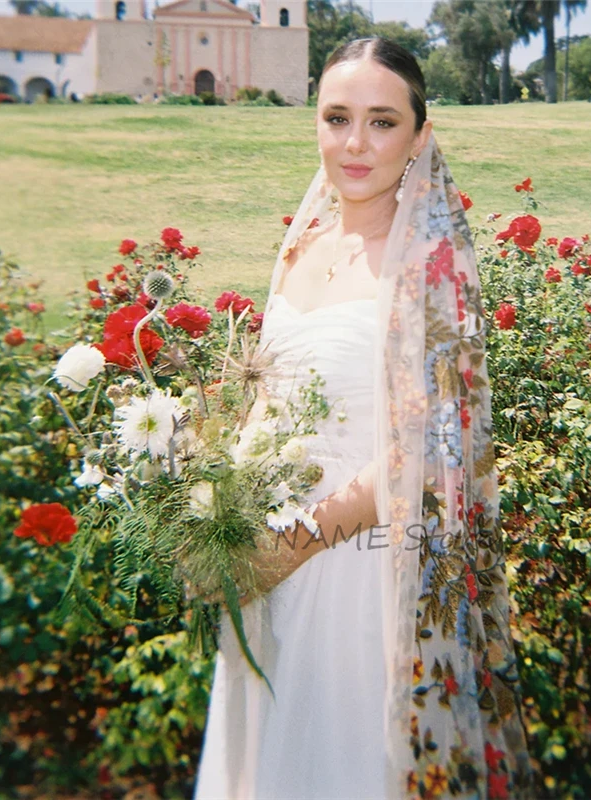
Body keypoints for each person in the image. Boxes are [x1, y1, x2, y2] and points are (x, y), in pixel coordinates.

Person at [194, 37, 533, 799]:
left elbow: (428, 441)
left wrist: (296, 543)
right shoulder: (305, 246)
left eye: (382, 122)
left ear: (420, 134)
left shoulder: (430, 265)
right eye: (336, 117)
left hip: (356, 567)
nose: (354, 143)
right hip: (261, 561)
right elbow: (266, 396)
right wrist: (215, 520)